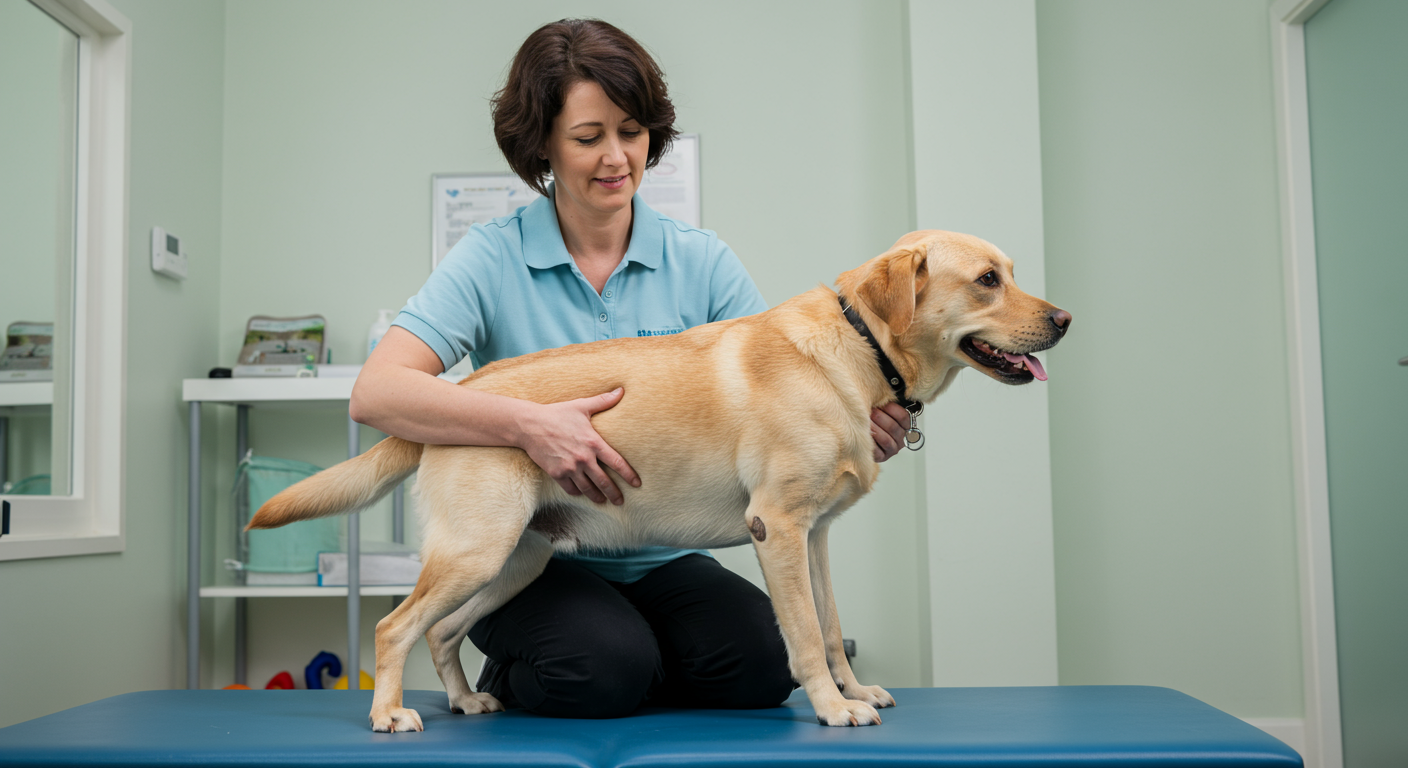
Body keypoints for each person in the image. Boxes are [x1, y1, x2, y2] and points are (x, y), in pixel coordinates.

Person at [351, 18, 911, 719]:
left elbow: (781, 399)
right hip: (539, 552)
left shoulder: (701, 258)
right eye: (589, 138)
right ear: (542, 146)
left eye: (633, 131)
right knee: (601, 667)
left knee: (761, 669)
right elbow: (377, 392)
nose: (617, 157)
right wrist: (531, 426)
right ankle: (555, 658)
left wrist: (856, 424)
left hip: (661, 554)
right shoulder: (489, 256)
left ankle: (619, 661)